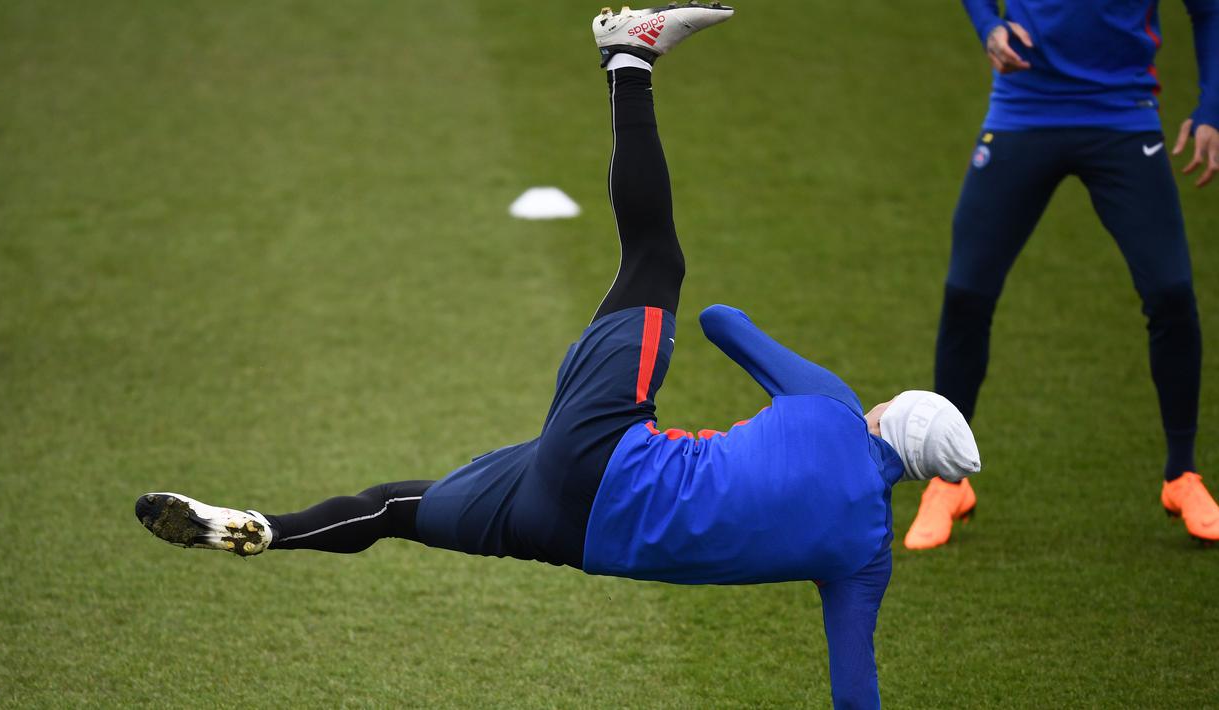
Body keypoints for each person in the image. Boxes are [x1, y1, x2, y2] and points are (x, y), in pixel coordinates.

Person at [135, 6, 981, 707]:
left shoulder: (833, 409)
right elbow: (854, 688)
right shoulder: (864, 555)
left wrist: (809, 402)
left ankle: (628, 57)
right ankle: (264, 531)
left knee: (656, 260)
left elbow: (722, 322)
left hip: (605, 452)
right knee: (396, 508)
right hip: (566, 531)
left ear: (891, 418)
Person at [907, 0, 1219, 550]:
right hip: (1023, 110)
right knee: (966, 295)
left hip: (1123, 116)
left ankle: (1182, 476)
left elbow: (1209, 10)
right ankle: (947, 482)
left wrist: (1212, 107)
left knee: (1171, 293)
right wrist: (988, 27)